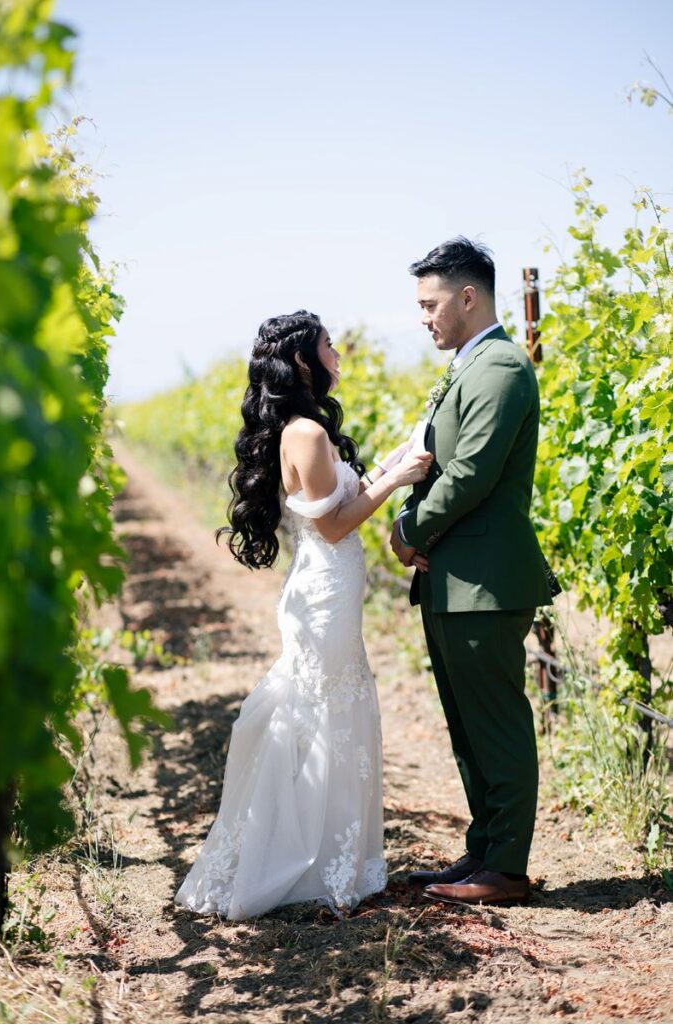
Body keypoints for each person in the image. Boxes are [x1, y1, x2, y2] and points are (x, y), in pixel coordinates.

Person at [175, 310, 432, 920]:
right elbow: (335, 524)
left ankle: (324, 855)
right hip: (323, 594)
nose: (337, 354)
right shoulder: (307, 433)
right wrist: (395, 480)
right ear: (300, 360)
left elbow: (340, 497)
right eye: (328, 345)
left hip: (325, 590)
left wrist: (393, 459)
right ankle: (308, 864)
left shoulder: (306, 428)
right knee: (324, 712)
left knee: (328, 708)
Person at [391, 238, 552, 907]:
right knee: (467, 726)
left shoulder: (501, 367)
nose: (423, 317)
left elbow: (471, 473)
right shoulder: (469, 366)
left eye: (431, 304)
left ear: (468, 297)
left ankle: (506, 867)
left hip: (483, 582)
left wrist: (409, 530)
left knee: (496, 725)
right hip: (453, 581)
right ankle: (484, 849)